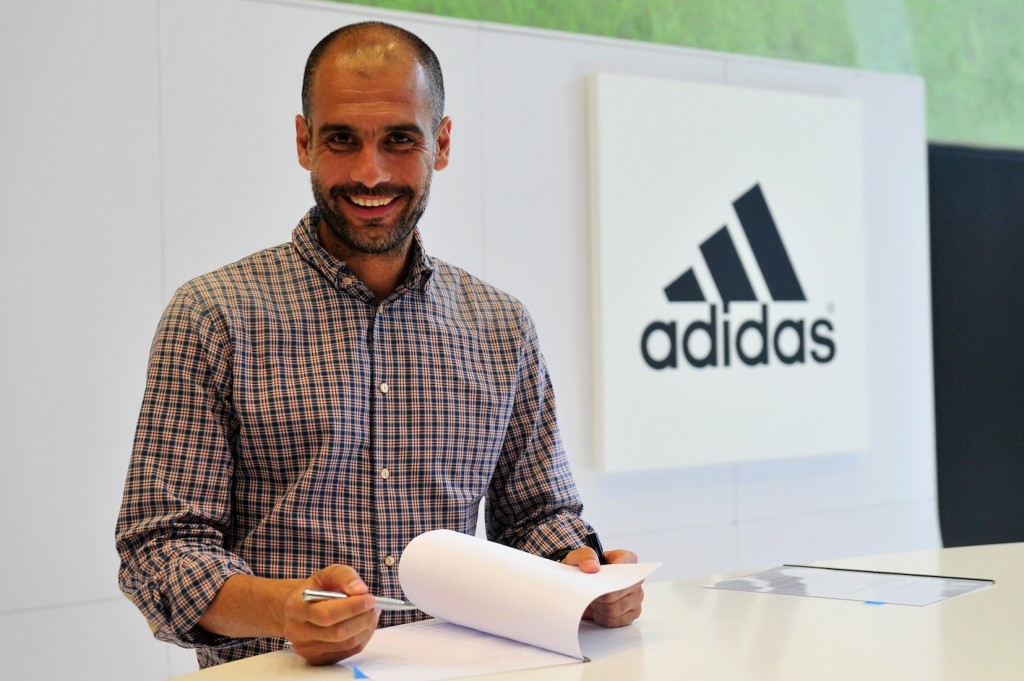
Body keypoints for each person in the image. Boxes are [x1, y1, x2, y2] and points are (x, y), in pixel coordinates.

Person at [115, 21, 644, 668]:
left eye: (399, 140)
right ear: (304, 141)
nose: (371, 172)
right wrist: (285, 607)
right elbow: (161, 551)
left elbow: (537, 514)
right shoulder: (213, 319)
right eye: (342, 139)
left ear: (441, 144)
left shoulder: (502, 326)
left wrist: (582, 575)